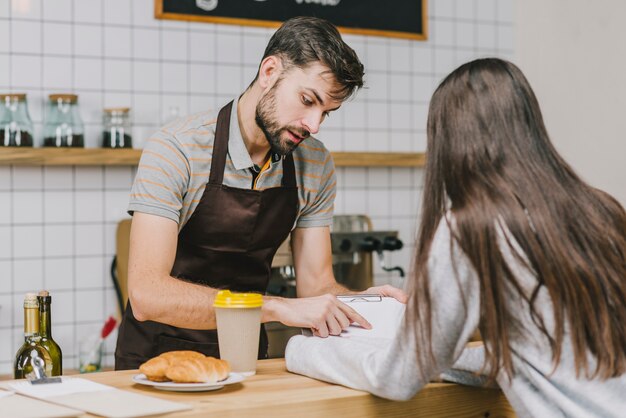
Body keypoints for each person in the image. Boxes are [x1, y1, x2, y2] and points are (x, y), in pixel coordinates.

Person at [285, 58, 626, 417]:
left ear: (450, 143)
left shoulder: (471, 228)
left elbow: (396, 379)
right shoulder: (600, 211)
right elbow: (537, 355)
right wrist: (435, 357)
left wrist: (300, 351)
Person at [114, 16, 406, 369]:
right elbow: (148, 295)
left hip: (246, 359)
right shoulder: (177, 149)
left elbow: (316, 286)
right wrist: (277, 307)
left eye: (326, 113)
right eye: (307, 100)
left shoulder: (315, 163)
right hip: (157, 364)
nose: (313, 125)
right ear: (269, 72)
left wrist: (362, 302)